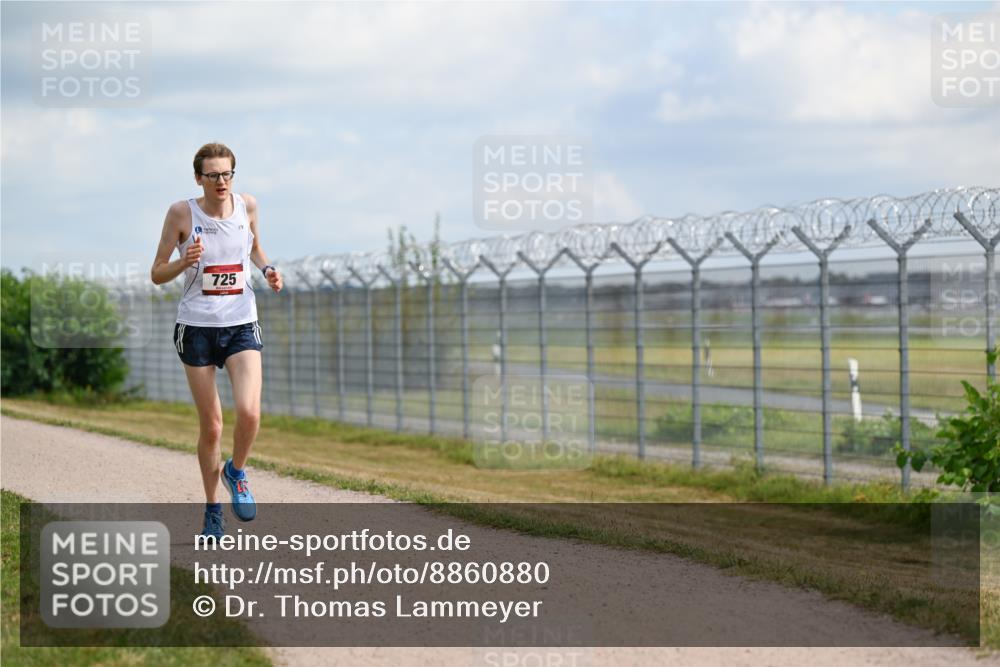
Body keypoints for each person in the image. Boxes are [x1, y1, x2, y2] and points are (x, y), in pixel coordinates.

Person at [150, 142, 283, 540]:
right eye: (213, 176)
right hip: (196, 328)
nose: (222, 182)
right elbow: (156, 272)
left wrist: (268, 269)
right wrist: (184, 261)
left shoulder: (247, 206)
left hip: (241, 322)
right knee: (212, 426)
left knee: (250, 412)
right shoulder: (181, 213)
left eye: (227, 174)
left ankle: (236, 471)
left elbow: (255, 248)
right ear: (199, 178)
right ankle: (212, 512)